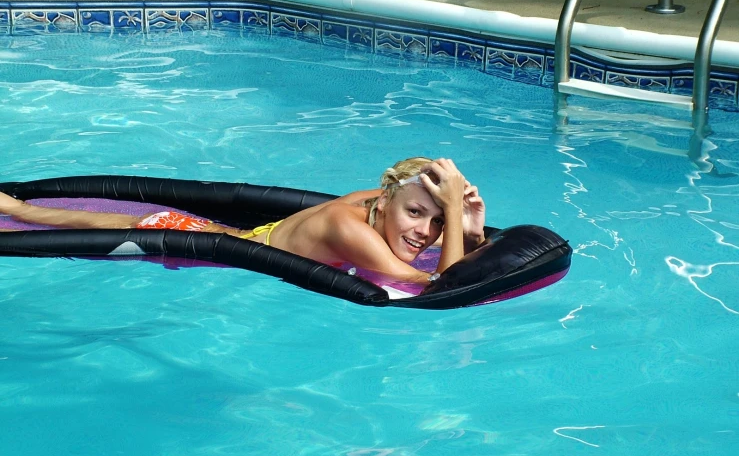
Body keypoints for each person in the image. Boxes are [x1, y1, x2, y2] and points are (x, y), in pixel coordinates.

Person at [0, 157, 485, 284]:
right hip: (192, 243)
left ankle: (16, 208)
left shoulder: (372, 200)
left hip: (226, 237)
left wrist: (470, 224)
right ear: (386, 200)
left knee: (97, 223)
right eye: (416, 213)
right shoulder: (350, 228)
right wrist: (458, 217)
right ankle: (16, 208)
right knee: (90, 227)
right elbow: (435, 282)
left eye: (438, 222)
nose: (425, 231)